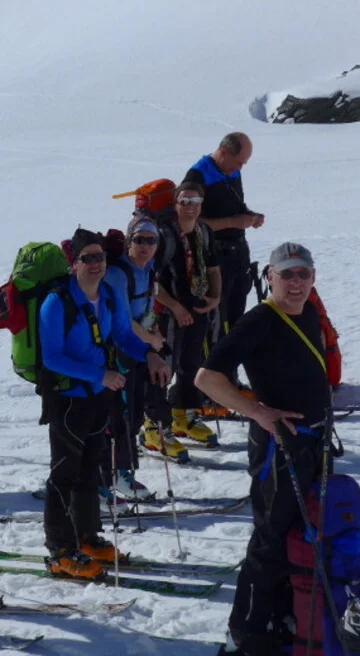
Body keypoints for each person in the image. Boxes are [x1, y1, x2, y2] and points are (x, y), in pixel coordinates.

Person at [194, 242, 331, 656]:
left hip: (314, 442)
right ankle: (243, 636)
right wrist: (257, 412)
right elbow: (206, 378)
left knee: (300, 536)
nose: (295, 282)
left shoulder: (308, 313)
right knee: (270, 541)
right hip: (279, 448)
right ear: (269, 276)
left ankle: (284, 619)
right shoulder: (260, 321)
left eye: (302, 274)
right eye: (286, 274)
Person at [39, 228, 170, 578]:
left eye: (101, 257)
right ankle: (59, 550)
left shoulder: (109, 295)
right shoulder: (58, 302)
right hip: (68, 400)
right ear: (74, 264)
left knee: (91, 469)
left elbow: (123, 335)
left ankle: (87, 537)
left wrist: (149, 356)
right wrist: (99, 375)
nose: (97, 264)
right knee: (64, 474)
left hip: (99, 396)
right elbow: (51, 357)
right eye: (88, 258)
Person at [184, 132, 264, 368]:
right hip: (213, 259)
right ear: (224, 152)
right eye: (239, 161)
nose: (240, 167)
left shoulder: (231, 171)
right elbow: (190, 222)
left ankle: (229, 377)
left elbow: (234, 205)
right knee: (215, 323)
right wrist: (233, 222)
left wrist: (249, 216)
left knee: (235, 321)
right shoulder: (197, 176)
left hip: (237, 254)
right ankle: (211, 379)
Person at [152, 181, 222, 448]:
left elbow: (214, 269)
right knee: (163, 369)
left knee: (192, 364)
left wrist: (215, 298)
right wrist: (176, 307)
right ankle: (154, 424)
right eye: (185, 201)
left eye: (195, 202)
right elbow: (151, 281)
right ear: (175, 203)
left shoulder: (204, 231)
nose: (190, 207)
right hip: (168, 312)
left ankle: (184, 413)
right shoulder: (162, 235)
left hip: (198, 306)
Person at [101, 228, 165, 501]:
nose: (145, 246)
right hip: (120, 352)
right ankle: (115, 477)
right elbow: (124, 321)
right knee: (120, 418)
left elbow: (149, 309)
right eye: (139, 240)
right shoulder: (118, 274)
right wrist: (151, 345)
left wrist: (155, 341)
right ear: (129, 243)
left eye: (151, 241)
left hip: (139, 350)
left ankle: (122, 474)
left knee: (134, 414)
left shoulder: (150, 269)